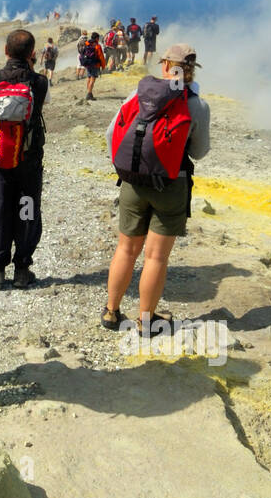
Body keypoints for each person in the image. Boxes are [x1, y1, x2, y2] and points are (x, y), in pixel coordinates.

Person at [101, 44, 211, 336]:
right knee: (155, 257)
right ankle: (146, 322)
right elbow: (199, 152)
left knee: (126, 248)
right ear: (190, 71)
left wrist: (130, 166)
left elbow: (112, 133)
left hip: (132, 183)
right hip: (170, 185)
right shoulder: (196, 103)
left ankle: (111, 312)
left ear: (165, 65)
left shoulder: (138, 94)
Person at [0, 30, 48, 289]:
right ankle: (22, 268)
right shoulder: (39, 83)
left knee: (1, 209)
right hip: (29, 160)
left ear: (6, 51)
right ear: (32, 54)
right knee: (27, 208)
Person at [78, 29, 105, 100]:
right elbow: (101, 56)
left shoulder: (87, 43)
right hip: (95, 64)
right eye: (98, 38)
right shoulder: (97, 46)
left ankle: (89, 92)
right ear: (96, 38)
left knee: (89, 78)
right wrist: (103, 66)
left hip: (87, 64)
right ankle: (89, 94)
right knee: (92, 79)